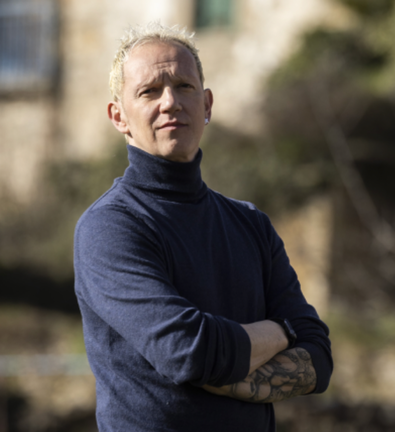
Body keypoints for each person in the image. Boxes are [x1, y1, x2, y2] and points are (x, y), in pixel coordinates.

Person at [73, 23, 333, 431]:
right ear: (118, 116)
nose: (170, 102)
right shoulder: (110, 227)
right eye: (149, 91)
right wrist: (283, 331)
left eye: (184, 86)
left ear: (207, 104)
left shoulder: (251, 224)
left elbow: (318, 359)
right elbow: (187, 353)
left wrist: (221, 363)